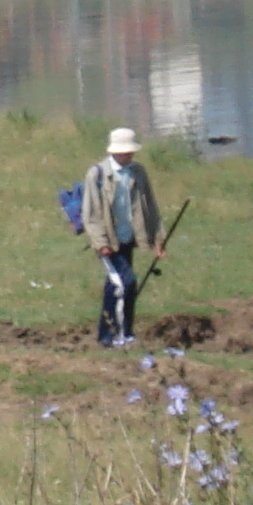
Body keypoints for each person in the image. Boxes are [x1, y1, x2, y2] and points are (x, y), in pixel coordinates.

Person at [80, 127, 163, 347]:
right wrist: (101, 243)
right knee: (124, 282)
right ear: (114, 151)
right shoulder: (97, 174)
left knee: (121, 286)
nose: (129, 155)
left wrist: (157, 239)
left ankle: (118, 333)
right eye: (125, 152)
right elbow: (91, 213)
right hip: (109, 241)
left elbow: (149, 206)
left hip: (128, 239)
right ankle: (115, 337)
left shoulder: (138, 172)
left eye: (131, 151)